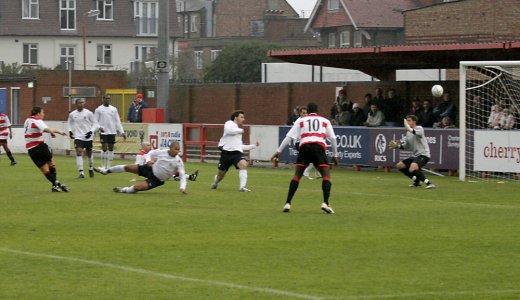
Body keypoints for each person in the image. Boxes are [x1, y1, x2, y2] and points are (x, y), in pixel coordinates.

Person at [271, 102, 339, 214]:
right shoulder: (325, 121)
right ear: (317, 110)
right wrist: (335, 155)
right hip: (318, 148)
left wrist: (279, 151)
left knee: (297, 176)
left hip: (305, 148)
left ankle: (288, 203)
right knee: (326, 176)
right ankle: (325, 203)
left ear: (307, 111)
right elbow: (333, 138)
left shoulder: (301, 120)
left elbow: (289, 136)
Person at [94, 141, 189, 194]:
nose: (177, 151)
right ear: (170, 148)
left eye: (178, 149)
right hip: (150, 169)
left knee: (137, 187)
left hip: (157, 180)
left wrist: (182, 187)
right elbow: (150, 153)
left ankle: (123, 190)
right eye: (175, 149)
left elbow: (182, 175)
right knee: (128, 167)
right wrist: (148, 160)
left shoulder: (178, 161)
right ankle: (106, 171)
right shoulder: (161, 152)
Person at [24, 106, 70, 192]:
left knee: (45, 170)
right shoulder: (37, 120)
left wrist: (57, 132)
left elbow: (41, 130)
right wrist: (53, 132)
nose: (43, 114)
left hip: (31, 150)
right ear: (38, 114)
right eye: (42, 112)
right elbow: (46, 129)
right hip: (40, 147)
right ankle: (58, 185)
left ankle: (55, 186)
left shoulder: (28, 121)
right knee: (51, 163)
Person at [211, 110, 259, 192]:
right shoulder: (229, 123)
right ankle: (216, 182)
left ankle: (242, 187)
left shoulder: (237, 129)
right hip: (226, 154)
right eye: (241, 117)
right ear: (236, 118)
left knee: (243, 164)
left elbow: (239, 146)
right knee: (220, 176)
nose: (243, 119)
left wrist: (253, 146)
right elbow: (230, 131)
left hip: (236, 154)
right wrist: (241, 130)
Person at [388, 115, 436, 189]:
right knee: (400, 165)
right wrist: (397, 146)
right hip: (415, 155)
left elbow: (415, 132)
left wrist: (408, 128)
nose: (407, 122)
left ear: (414, 121)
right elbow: (406, 146)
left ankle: (429, 183)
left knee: (412, 168)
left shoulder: (419, 128)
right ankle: (417, 181)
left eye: (409, 120)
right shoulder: (408, 133)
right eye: (407, 120)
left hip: (424, 154)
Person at [67, 98, 97, 178]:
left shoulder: (88, 113)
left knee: (89, 154)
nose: (81, 104)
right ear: (76, 104)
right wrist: (70, 131)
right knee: (79, 152)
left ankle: (90, 167)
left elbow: (95, 123)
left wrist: (91, 131)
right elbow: (69, 123)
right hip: (78, 136)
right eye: (79, 103)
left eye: (82, 102)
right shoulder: (72, 114)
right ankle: (81, 172)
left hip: (88, 137)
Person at [95, 94, 126, 169]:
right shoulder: (99, 109)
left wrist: (122, 132)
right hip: (103, 131)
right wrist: (99, 127)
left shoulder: (114, 109)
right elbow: (95, 121)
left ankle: (109, 166)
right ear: (103, 99)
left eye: (109, 98)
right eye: (106, 98)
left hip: (112, 131)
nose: (107, 100)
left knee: (111, 149)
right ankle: (103, 165)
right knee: (104, 148)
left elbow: (117, 121)